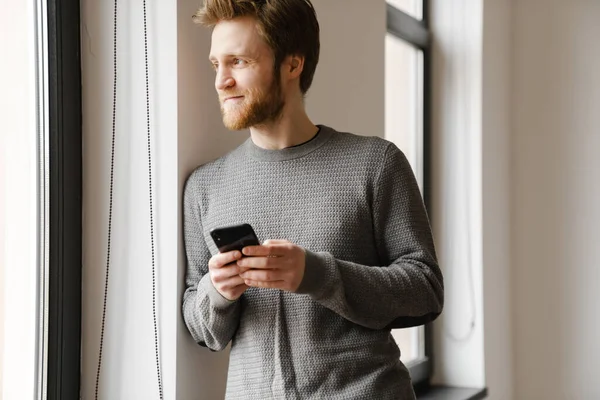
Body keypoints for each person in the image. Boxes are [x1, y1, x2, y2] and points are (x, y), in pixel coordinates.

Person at [182, 0, 444, 398]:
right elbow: (204, 332)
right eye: (216, 64)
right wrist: (217, 291)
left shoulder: (375, 163)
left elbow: (424, 291)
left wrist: (315, 274)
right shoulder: (204, 186)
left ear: (292, 64)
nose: (221, 81)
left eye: (238, 61)